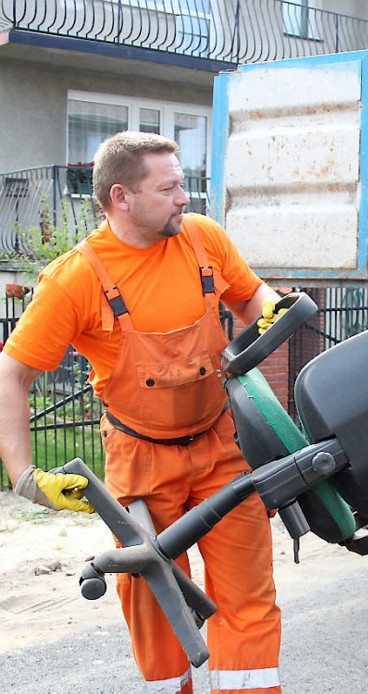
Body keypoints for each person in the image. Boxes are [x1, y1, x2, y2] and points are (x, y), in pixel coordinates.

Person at [0, 131, 284, 693]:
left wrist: (273, 311)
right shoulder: (75, 278)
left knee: (248, 599)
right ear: (121, 197)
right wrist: (24, 476)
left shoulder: (203, 240)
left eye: (183, 184)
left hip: (222, 447)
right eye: (171, 187)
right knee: (156, 604)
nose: (185, 199)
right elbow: (13, 373)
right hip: (139, 461)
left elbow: (253, 298)